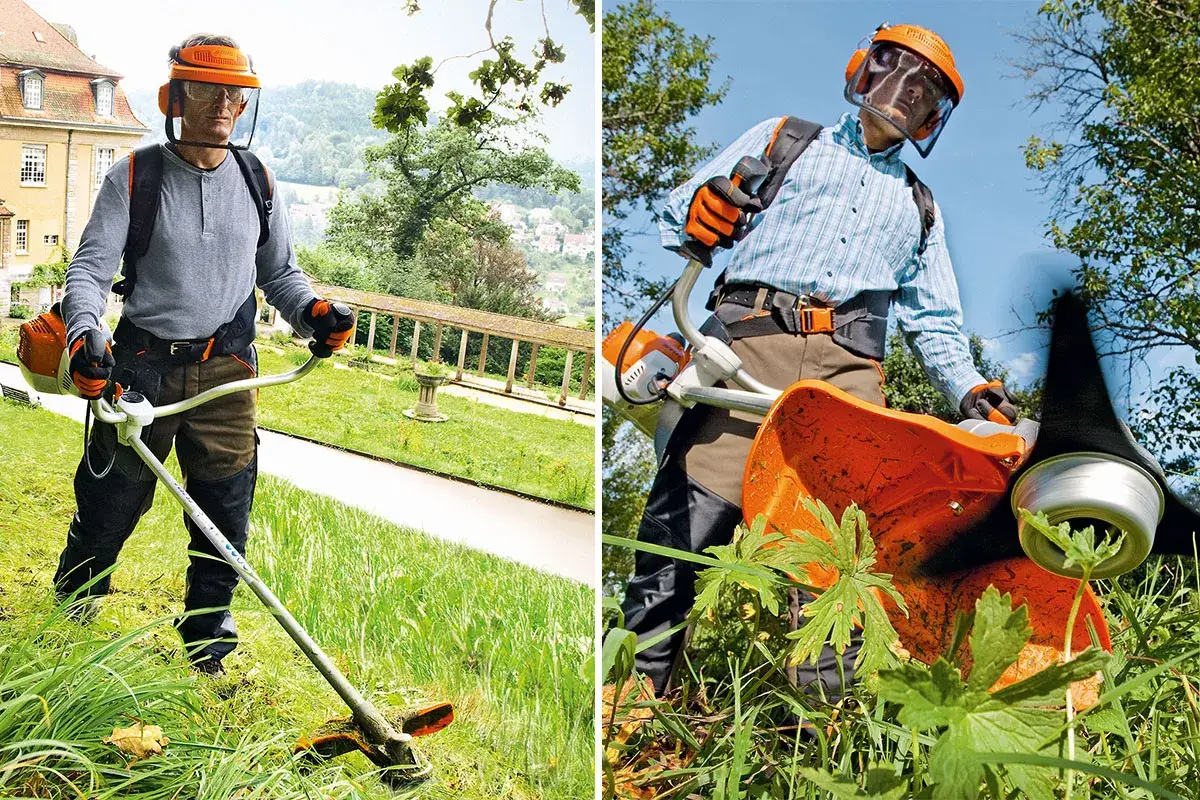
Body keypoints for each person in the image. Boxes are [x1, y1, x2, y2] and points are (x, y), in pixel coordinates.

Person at [621, 23, 1019, 696]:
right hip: (747, 340)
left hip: (848, 369)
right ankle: (632, 698)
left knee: (845, 549)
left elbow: (937, 321)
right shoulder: (787, 138)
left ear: (933, 118)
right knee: (688, 518)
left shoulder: (920, 207)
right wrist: (704, 206)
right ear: (863, 71)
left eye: (923, 94)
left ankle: (820, 723)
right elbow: (677, 209)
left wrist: (970, 388)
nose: (903, 96)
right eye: (894, 74)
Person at [55, 34, 355, 675]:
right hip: (138, 366)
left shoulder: (258, 180)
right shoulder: (134, 176)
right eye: (207, 87)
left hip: (226, 369)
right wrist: (85, 335)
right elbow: (89, 270)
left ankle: (207, 643)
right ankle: (73, 612)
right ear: (176, 95)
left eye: (235, 92)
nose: (224, 102)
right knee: (111, 501)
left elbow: (281, 274)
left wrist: (314, 312)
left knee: (224, 511)